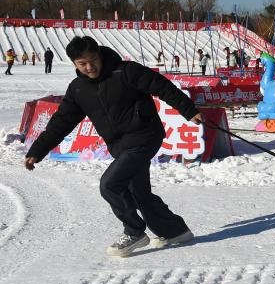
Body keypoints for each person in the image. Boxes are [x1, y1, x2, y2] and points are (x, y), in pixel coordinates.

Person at [23, 36, 200, 257]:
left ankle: (134, 231)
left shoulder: (125, 71)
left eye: (93, 60)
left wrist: (189, 110)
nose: (90, 67)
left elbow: (162, 87)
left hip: (145, 136)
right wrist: (38, 150)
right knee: (139, 192)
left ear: (100, 54)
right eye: (82, 63)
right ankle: (175, 231)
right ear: (74, 64)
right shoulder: (78, 89)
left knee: (110, 184)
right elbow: (61, 122)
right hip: (120, 146)